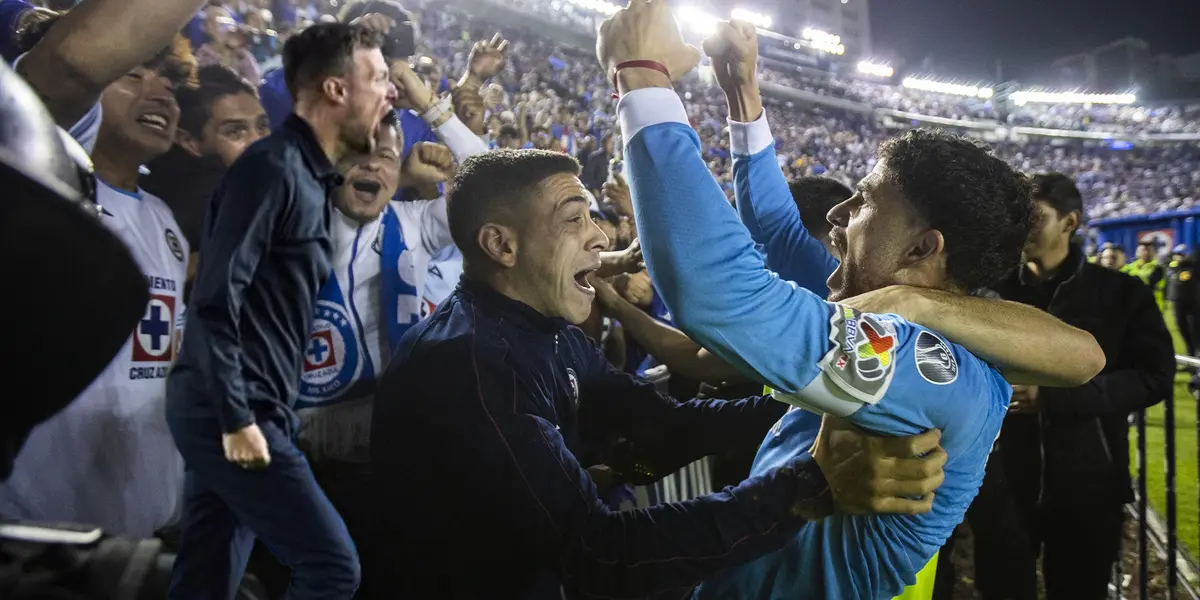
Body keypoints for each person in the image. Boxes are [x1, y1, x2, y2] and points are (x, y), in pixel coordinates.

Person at [595, 7, 1104, 599]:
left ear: (922, 248)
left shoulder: (925, 363)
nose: (837, 215)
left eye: (862, 203)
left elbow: (720, 295)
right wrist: (743, 97)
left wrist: (643, 78)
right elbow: (780, 231)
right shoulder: (889, 308)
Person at [368, 149, 951, 599]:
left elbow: (662, 430)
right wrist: (808, 486)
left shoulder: (547, 336)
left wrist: (821, 406)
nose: (599, 237)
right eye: (574, 220)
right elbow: (601, 555)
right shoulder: (471, 371)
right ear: (501, 244)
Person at [165, 22, 396, 600]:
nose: (391, 92)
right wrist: (239, 419)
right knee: (332, 567)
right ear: (337, 90)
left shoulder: (310, 177)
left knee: (207, 576)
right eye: (379, 77)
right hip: (233, 410)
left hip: (252, 406)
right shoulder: (272, 168)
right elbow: (216, 300)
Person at [946, 173, 1175, 600]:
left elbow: (1154, 376)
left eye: (1034, 215)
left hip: (1088, 482)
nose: (1020, 226)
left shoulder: (1121, 293)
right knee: (1000, 588)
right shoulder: (986, 291)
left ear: (1070, 223)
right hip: (999, 480)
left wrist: (1054, 397)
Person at [1168, 244, 1198, 356]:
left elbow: (1183, 279)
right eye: (1175, 255)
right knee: (1181, 328)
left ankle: (1196, 354)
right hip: (1176, 302)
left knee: (1193, 330)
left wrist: (1180, 265)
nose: (1177, 257)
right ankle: (1190, 354)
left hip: (1190, 304)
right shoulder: (1172, 267)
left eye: (1180, 255)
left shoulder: (1190, 267)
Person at [1129, 239, 1166, 310]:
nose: (1146, 252)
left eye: (1149, 250)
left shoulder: (1158, 268)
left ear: (1154, 252)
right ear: (1137, 252)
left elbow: (1147, 286)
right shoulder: (1129, 267)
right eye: (1143, 250)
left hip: (1153, 308)